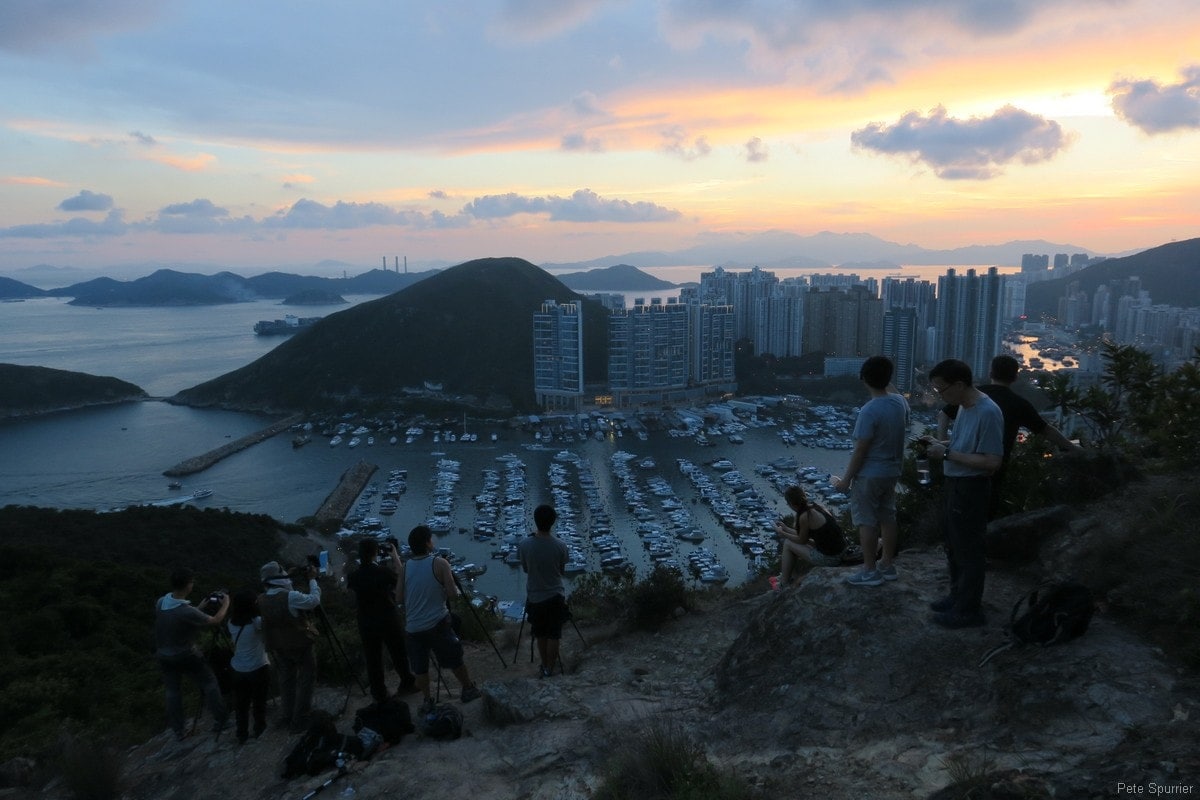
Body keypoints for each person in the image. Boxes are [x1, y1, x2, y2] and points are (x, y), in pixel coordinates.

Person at [938, 354, 1081, 518]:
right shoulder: (1018, 404)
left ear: (991, 373)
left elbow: (943, 414)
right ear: (1015, 377)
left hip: (961, 468)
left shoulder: (974, 395)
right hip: (993, 471)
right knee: (984, 517)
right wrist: (1072, 447)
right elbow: (1046, 430)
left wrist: (943, 445)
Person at [924, 358, 1004, 628]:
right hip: (956, 484)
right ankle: (957, 596)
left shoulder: (987, 412)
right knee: (954, 545)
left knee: (969, 549)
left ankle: (969, 609)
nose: (940, 396)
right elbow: (966, 446)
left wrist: (946, 452)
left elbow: (992, 462)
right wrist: (940, 443)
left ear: (959, 384)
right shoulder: (964, 408)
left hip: (972, 488)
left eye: (941, 390)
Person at [835, 355, 909, 587]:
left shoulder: (869, 410)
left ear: (864, 379)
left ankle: (869, 570)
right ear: (889, 379)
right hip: (892, 471)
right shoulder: (899, 403)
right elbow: (893, 389)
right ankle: (887, 564)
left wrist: (845, 480)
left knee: (866, 521)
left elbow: (860, 450)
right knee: (888, 516)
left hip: (869, 474)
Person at [398, 525, 482, 714]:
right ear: (428, 543)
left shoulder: (405, 567)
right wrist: (439, 591)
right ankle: (468, 688)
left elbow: (399, 598)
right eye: (431, 539)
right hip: (437, 622)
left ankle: (427, 700)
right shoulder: (440, 563)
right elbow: (453, 594)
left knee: (420, 667)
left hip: (413, 627)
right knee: (454, 658)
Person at [153, 567, 230, 741]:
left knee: (172, 692)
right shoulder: (186, 611)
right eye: (192, 582)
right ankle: (221, 720)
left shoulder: (161, 602)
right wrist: (225, 604)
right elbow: (215, 620)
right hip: (186, 654)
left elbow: (175, 617)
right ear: (188, 585)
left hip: (164, 655)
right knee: (209, 682)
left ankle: (178, 731)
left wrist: (199, 607)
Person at [346, 538, 418, 704]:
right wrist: (395, 556)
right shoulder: (383, 572)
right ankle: (406, 683)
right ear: (375, 553)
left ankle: (379, 692)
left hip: (365, 620)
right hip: (387, 616)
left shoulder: (353, 576)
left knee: (373, 657)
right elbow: (401, 580)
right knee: (398, 651)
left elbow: (351, 597)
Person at [258, 560, 322, 732]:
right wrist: (313, 580)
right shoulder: (291, 597)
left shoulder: (262, 599)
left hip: (278, 646)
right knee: (306, 679)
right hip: (300, 643)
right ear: (280, 577)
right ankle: (300, 718)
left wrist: (289, 575)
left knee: (286, 681)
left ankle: (287, 715)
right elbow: (313, 601)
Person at [517, 504, 570, 677]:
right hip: (556, 595)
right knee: (554, 634)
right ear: (553, 522)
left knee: (540, 633)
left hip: (535, 596)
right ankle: (550, 668)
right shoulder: (561, 546)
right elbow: (562, 571)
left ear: (535, 520)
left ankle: (544, 665)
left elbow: (525, 569)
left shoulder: (524, 545)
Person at [772, 485, 846, 588]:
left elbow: (802, 540)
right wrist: (786, 528)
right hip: (840, 551)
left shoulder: (805, 516)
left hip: (831, 559)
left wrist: (782, 533)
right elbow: (805, 537)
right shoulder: (818, 507)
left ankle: (783, 584)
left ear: (791, 504)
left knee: (788, 543)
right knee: (792, 542)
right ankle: (785, 576)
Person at [227, 587, 269, 745]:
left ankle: (241, 733)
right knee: (259, 701)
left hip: (238, 669)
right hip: (258, 667)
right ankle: (259, 729)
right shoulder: (256, 623)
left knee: (241, 704)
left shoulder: (231, 623)